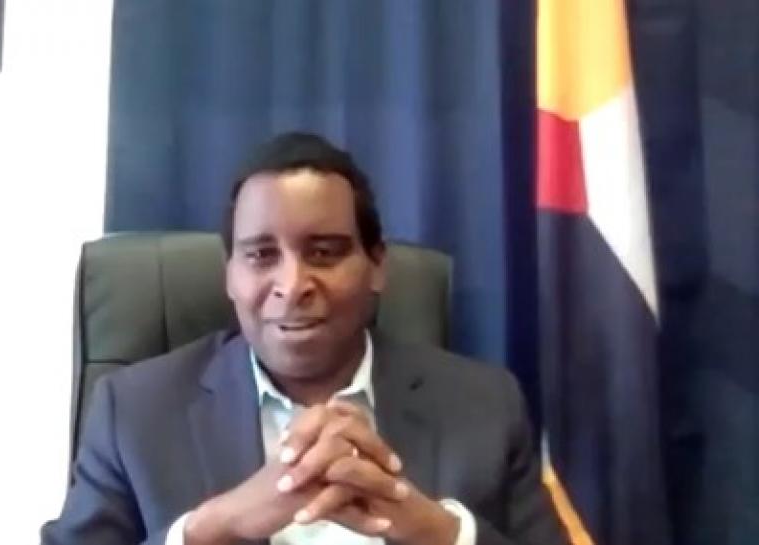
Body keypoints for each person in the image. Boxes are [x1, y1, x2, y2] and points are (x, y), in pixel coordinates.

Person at [40, 133, 568, 545]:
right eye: (261, 255)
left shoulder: (485, 405)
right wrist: (213, 526)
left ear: (378, 265)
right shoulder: (134, 412)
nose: (292, 287)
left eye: (324, 252)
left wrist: (439, 532)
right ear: (230, 274)